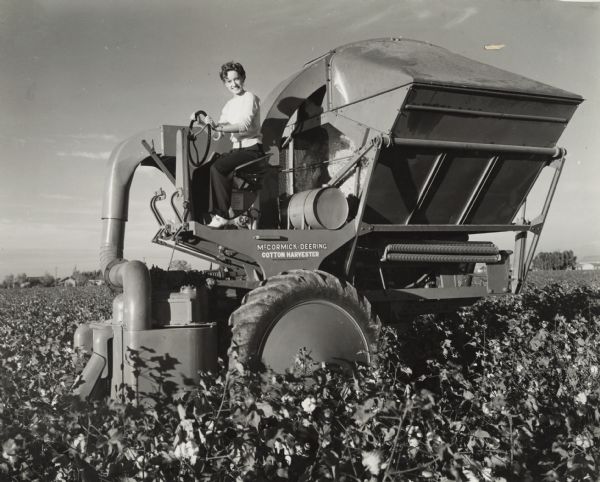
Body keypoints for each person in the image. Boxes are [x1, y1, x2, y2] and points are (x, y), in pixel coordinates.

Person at [202, 61, 264, 229]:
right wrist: (208, 125)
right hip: (237, 150)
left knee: (219, 168)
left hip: (252, 150)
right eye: (229, 81)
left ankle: (221, 215)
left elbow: (243, 125)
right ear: (225, 83)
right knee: (206, 168)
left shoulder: (250, 98)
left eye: (236, 79)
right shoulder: (229, 105)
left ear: (243, 78)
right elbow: (218, 133)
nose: (233, 84)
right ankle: (210, 215)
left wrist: (219, 127)